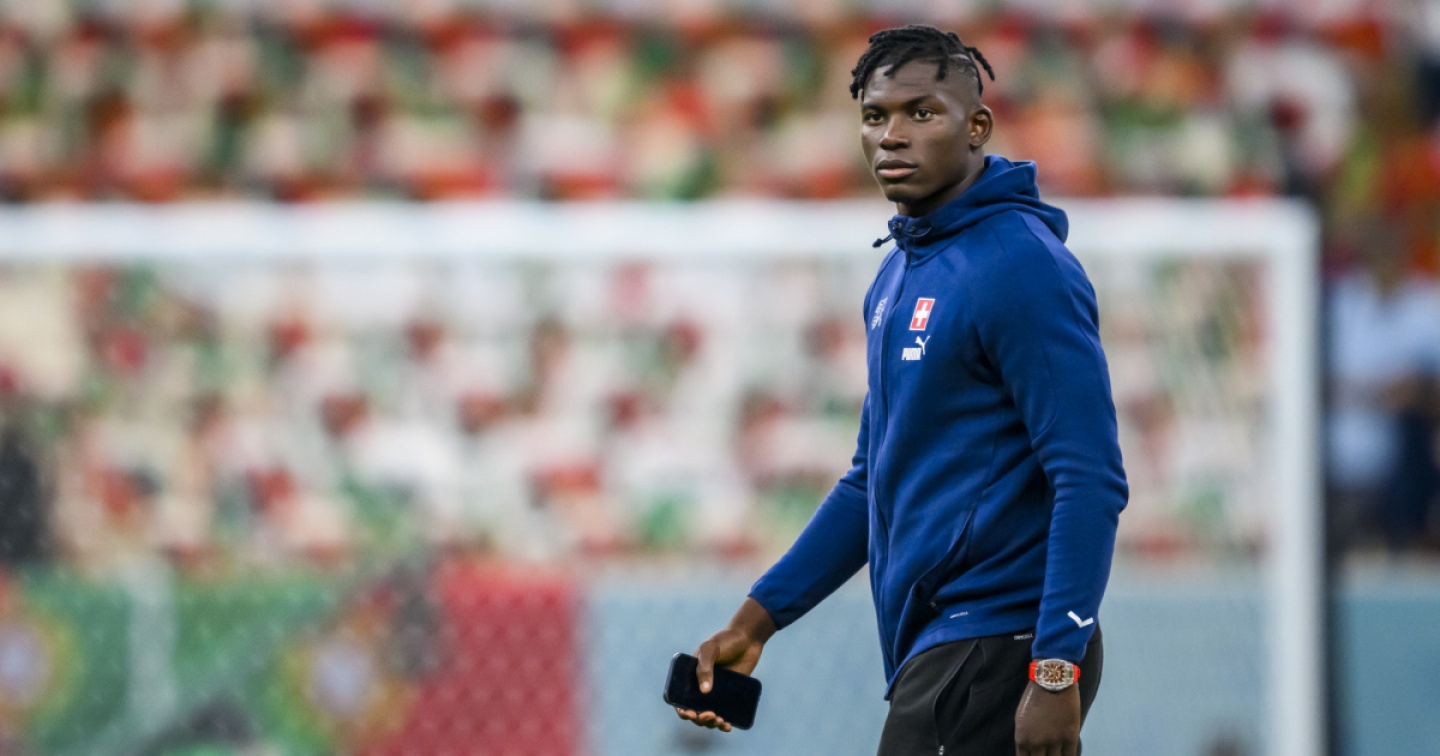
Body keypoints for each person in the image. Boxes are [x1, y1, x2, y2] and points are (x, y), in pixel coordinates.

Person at [676, 25, 1128, 756]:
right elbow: (870, 482)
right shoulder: (899, 272)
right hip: (945, 645)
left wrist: (1054, 669)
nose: (892, 134)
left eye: (922, 112)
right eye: (875, 115)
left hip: (1003, 643)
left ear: (976, 127)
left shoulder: (1021, 267)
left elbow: (1090, 476)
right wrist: (756, 622)